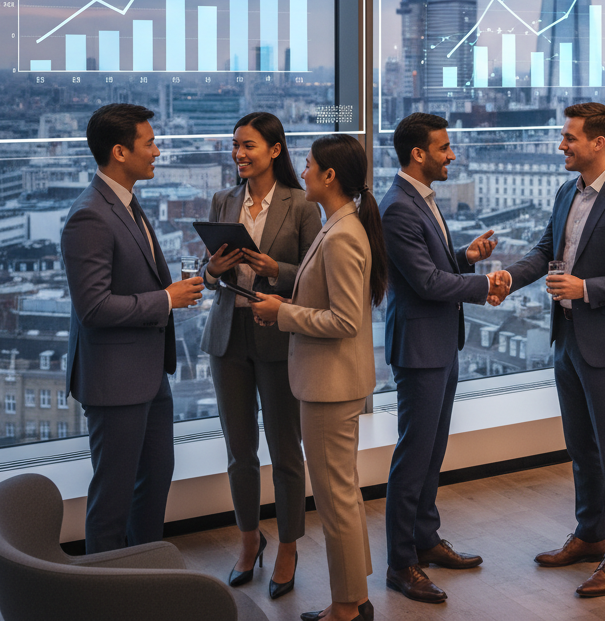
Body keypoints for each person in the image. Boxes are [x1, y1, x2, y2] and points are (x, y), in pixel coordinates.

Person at [492, 103, 605, 598]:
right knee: (581, 448)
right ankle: (590, 535)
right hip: (567, 339)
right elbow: (546, 251)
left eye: (569, 138)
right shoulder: (567, 191)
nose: (561, 145)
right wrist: (508, 278)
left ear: (598, 143)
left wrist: (585, 289)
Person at [252, 134, 384, 621]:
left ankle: (346, 609)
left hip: (330, 387)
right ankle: (355, 598)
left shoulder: (343, 233)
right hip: (332, 383)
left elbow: (344, 321)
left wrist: (283, 312)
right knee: (342, 497)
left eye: (307, 165)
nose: (301, 171)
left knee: (336, 502)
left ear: (330, 176)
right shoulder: (342, 225)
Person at [62, 103, 204, 553]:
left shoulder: (126, 202)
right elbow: (93, 307)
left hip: (147, 373)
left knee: (154, 481)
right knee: (113, 499)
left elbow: (136, 276)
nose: (157, 151)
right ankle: (105, 593)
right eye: (150, 143)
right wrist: (166, 299)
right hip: (115, 381)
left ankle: (143, 576)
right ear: (120, 152)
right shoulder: (89, 215)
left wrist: (190, 279)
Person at [379, 113, 505, 604]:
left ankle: (426, 540)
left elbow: (433, 269)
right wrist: (484, 285)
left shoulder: (420, 200)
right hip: (419, 348)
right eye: (444, 148)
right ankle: (400, 563)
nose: (452, 155)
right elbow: (427, 284)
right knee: (413, 458)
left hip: (438, 342)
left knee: (431, 453)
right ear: (418, 154)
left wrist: (467, 260)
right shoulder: (397, 209)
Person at [200, 112, 322, 596]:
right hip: (227, 338)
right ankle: (250, 540)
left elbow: (316, 277)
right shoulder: (222, 200)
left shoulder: (301, 205)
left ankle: (289, 546)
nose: (239, 154)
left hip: (276, 336)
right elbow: (210, 279)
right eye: (235, 145)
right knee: (239, 452)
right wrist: (212, 269)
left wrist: (278, 269)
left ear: (275, 150)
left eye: (248, 145)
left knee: (286, 451)